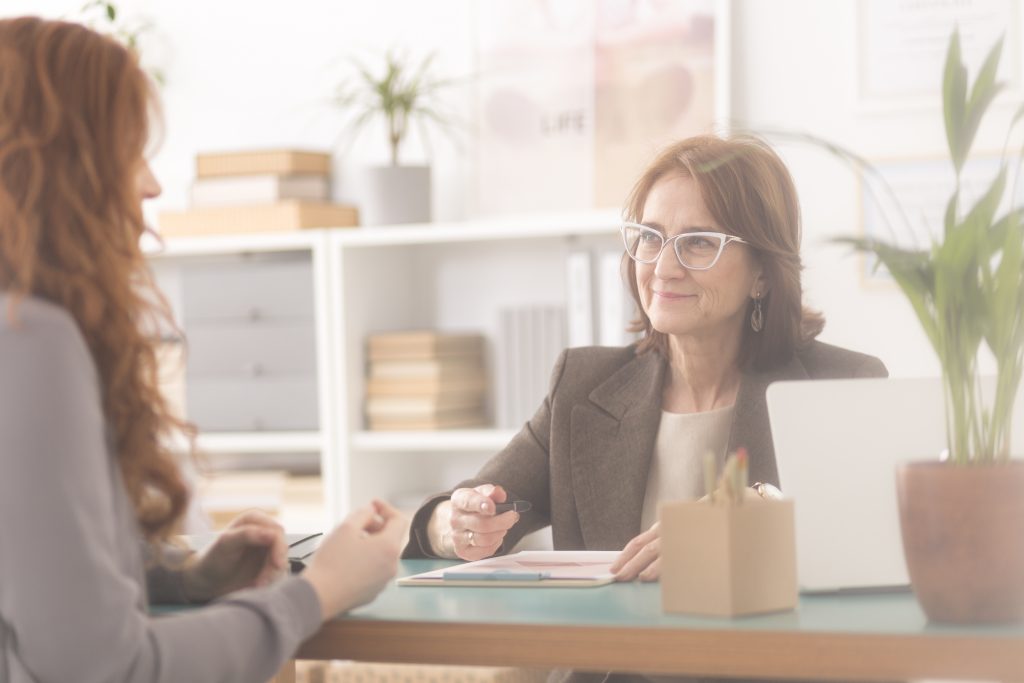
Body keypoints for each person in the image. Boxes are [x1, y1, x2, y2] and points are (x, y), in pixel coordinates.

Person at [0, 17, 406, 683]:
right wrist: (318, 590)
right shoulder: (31, 340)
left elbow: (31, 584)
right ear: (66, 168)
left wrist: (182, 577)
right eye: (131, 152)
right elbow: (110, 668)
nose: (154, 186)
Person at [402, 134, 887, 584]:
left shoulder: (842, 386)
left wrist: (753, 522)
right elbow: (480, 505)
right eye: (650, 237)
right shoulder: (582, 385)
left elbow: (875, 547)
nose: (663, 267)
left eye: (700, 242)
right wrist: (452, 524)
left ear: (762, 273)